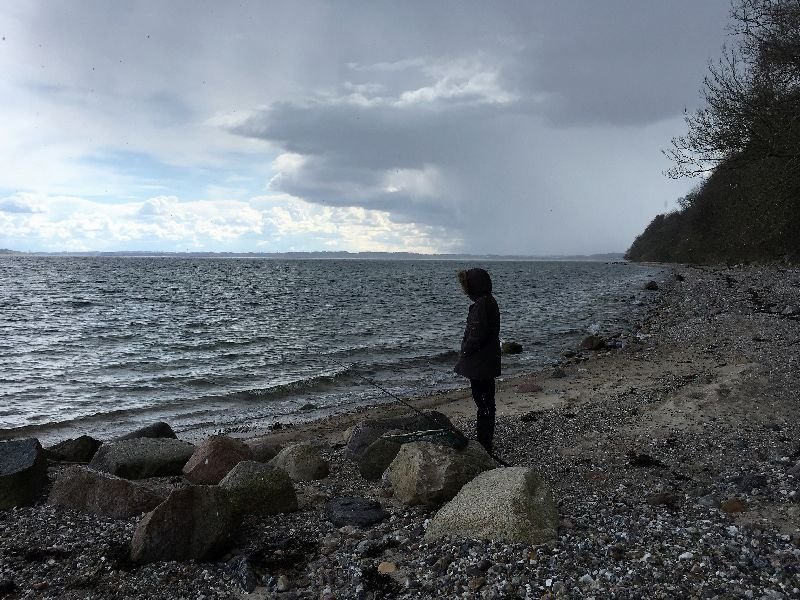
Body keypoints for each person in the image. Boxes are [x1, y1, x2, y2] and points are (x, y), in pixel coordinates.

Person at [454, 267, 501, 453]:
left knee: (484, 402)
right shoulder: (487, 301)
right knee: (486, 402)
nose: (465, 290)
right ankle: (484, 441)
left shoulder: (483, 304)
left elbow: (477, 334)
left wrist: (465, 351)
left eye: (467, 285)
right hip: (485, 362)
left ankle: (484, 444)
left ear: (474, 286)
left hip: (481, 364)